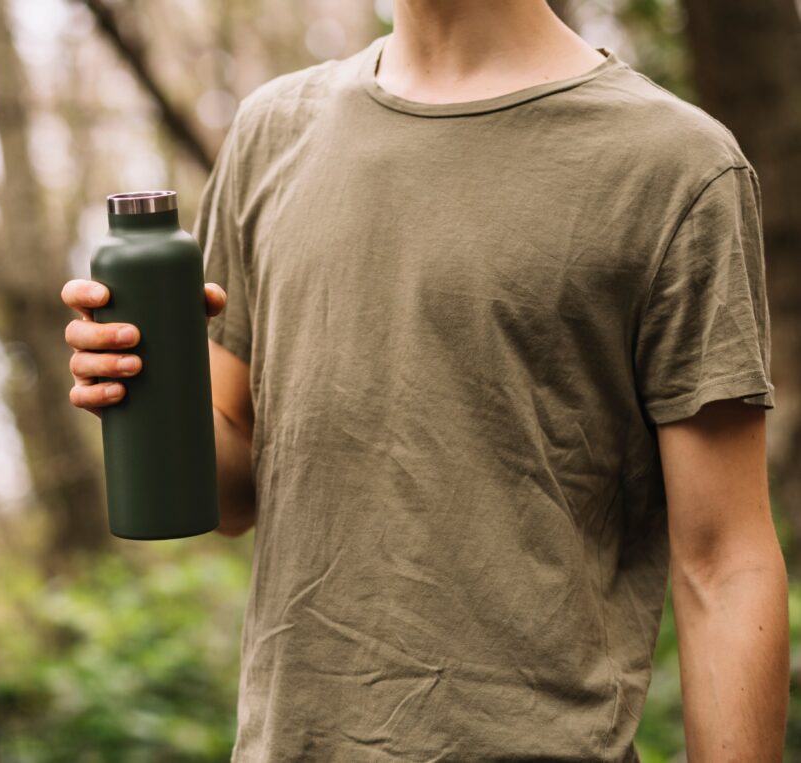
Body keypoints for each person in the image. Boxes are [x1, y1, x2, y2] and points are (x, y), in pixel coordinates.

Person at [61, 1, 790, 759]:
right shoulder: (271, 131)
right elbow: (235, 491)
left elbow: (724, 564)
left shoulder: (675, 165)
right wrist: (139, 381)